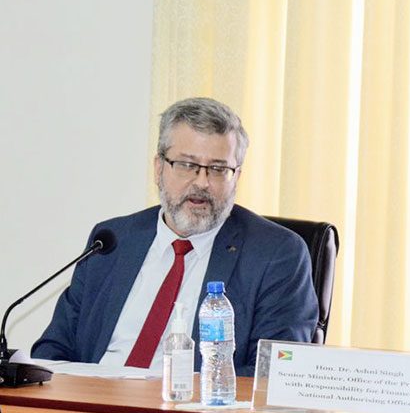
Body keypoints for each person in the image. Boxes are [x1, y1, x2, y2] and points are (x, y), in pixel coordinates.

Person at [31, 97, 318, 376]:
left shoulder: (277, 253)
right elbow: (54, 348)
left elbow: (272, 374)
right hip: (92, 409)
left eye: (218, 169)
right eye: (186, 165)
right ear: (159, 168)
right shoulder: (112, 240)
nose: (202, 182)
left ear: (237, 176)